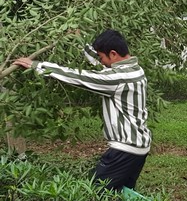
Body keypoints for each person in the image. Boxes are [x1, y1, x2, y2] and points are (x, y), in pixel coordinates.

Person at [13, 29, 152, 192]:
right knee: (119, 196)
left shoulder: (118, 79)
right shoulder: (134, 69)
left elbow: (79, 77)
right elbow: (100, 64)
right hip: (138, 148)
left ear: (113, 54)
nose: (100, 61)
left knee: (96, 195)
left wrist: (38, 66)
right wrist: (79, 40)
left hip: (124, 151)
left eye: (102, 57)